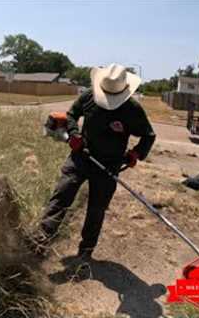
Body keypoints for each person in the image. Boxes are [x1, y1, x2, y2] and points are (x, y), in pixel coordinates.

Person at [36, 63, 156, 261]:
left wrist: (136, 153)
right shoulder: (90, 96)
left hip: (108, 166)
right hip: (81, 157)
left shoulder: (132, 109)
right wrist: (74, 134)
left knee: (96, 210)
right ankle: (39, 241)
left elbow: (148, 135)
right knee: (61, 197)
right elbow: (72, 114)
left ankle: (85, 252)